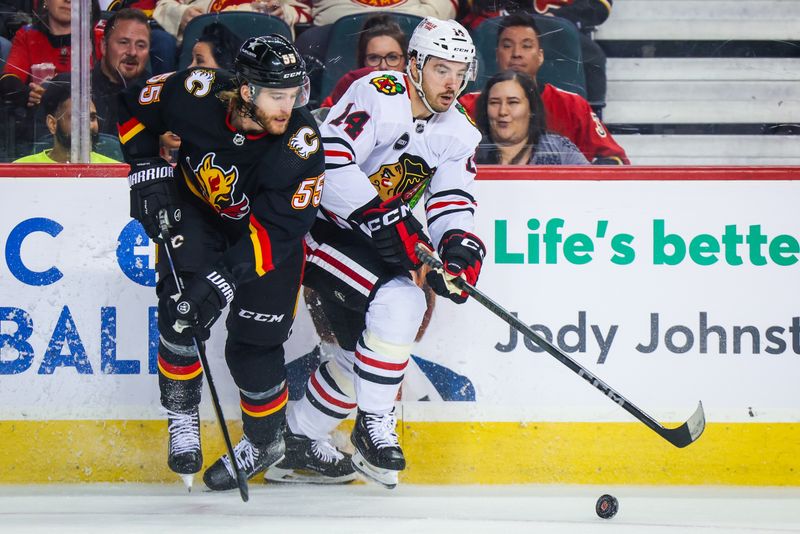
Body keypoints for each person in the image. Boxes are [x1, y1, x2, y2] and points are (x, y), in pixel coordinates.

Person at [264, 17, 486, 489]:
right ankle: (373, 429)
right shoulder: (378, 93)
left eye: (461, 71)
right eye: (442, 69)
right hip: (317, 227)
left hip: (372, 238)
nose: (453, 83)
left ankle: (298, 440)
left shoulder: (461, 130)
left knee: (359, 358)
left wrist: (458, 247)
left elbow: (452, 202)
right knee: (402, 301)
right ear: (416, 64)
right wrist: (383, 216)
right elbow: (329, 159)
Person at [117, 34, 324, 491]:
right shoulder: (194, 91)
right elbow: (131, 107)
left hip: (265, 242)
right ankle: (182, 415)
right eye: (276, 96)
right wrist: (146, 168)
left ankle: (265, 441)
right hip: (200, 215)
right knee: (180, 309)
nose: (287, 108)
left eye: (293, 95)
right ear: (246, 91)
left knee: (252, 349)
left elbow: (279, 231)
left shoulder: (302, 145)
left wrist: (223, 281)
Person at [459, 12, 629, 165]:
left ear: (540, 56)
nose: (517, 53)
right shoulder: (468, 105)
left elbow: (616, 160)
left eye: (526, 46)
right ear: (497, 55)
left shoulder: (573, 105)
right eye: (507, 45)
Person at [461, 0, 613, 116]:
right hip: (498, 26)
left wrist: (558, 17)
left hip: (557, 30)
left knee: (592, 57)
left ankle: (591, 121)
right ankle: (471, 119)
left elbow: (600, 6)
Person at [475, 70, 588, 165]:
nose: (503, 111)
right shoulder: (468, 150)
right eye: (494, 103)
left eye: (513, 102)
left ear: (531, 108)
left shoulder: (560, 149)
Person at [13, 74, 118, 163]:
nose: (88, 126)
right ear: (52, 124)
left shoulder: (116, 171)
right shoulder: (21, 172)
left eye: (92, 118)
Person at [93, 8, 151, 135]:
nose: (132, 52)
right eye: (124, 42)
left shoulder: (158, 97)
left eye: (141, 45)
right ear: (104, 46)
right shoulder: (75, 89)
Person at [152, 0, 311, 44]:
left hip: (261, 50)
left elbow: (302, 11)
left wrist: (283, 12)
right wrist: (182, 14)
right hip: (203, 44)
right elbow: (165, 5)